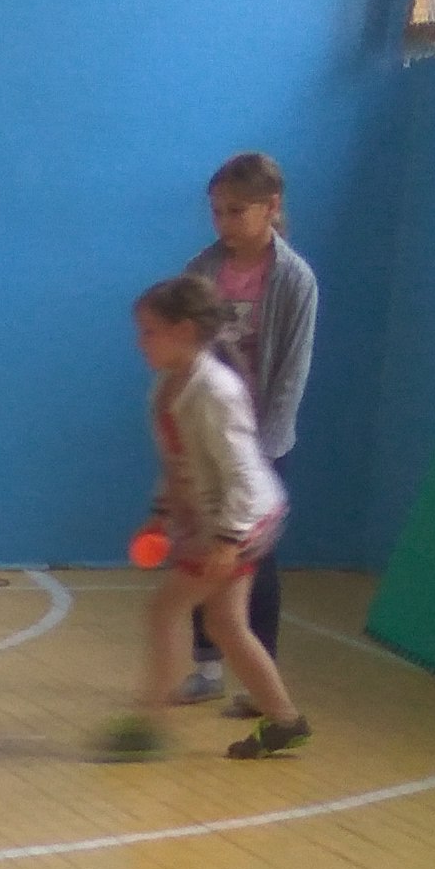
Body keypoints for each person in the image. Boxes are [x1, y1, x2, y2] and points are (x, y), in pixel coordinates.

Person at [135, 273, 307, 758]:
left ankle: (149, 727)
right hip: (225, 520)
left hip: (242, 520)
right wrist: (160, 513)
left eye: (149, 331)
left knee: (165, 610)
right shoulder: (169, 386)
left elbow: (239, 471)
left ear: (184, 331)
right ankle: (286, 721)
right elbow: (179, 461)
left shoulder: (215, 391)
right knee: (226, 625)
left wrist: (229, 540)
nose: (141, 342)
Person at [174, 151, 317, 706]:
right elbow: (185, 353)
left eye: (236, 211)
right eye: (217, 212)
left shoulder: (295, 280)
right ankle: (207, 666)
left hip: (262, 442)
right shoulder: (202, 270)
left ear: (271, 207)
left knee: (254, 557)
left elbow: (291, 372)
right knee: (202, 546)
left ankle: (262, 680)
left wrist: (265, 448)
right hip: (207, 434)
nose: (224, 223)